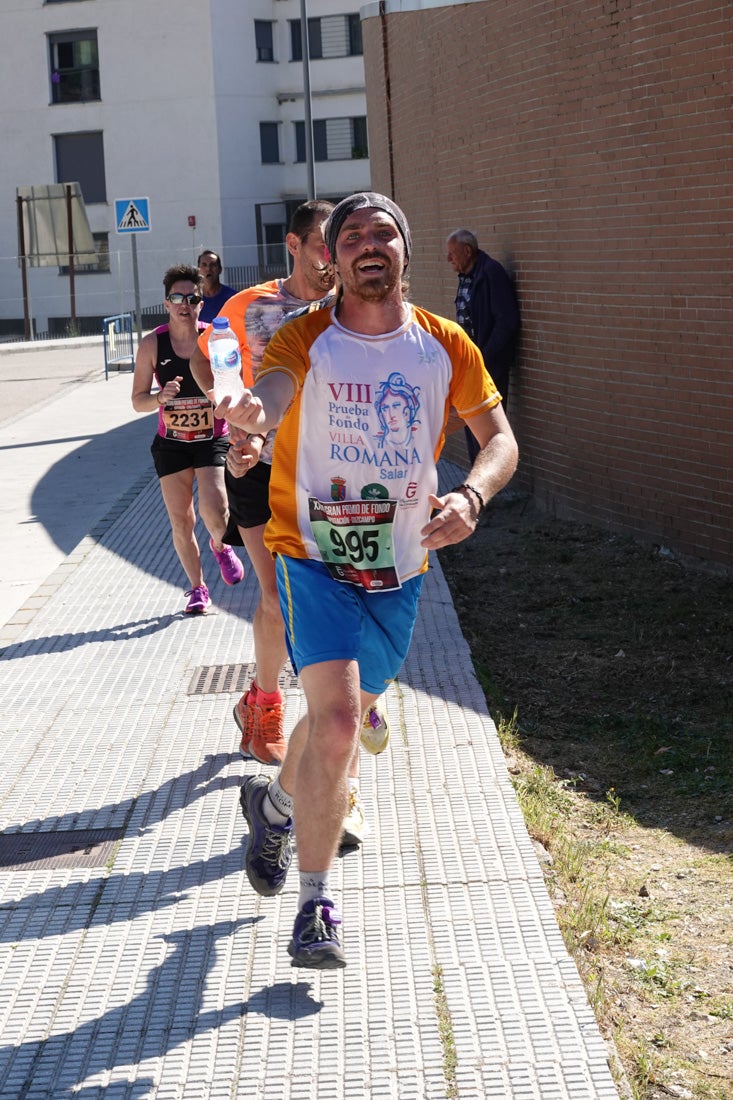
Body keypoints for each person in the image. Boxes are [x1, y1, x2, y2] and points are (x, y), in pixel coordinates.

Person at [211, 192, 519, 969]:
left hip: (402, 569)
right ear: (330, 258)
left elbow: (499, 439)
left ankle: (276, 805)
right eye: (351, 236)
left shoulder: (444, 344)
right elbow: (272, 394)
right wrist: (252, 416)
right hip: (313, 560)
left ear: (404, 252)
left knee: (334, 722)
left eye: (383, 232)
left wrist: (472, 494)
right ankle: (315, 904)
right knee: (342, 723)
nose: (367, 245)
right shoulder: (304, 337)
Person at [131, 263, 244, 614]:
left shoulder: (217, 338)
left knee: (216, 510)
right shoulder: (152, 343)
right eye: (176, 298)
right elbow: (137, 401)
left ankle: (219, 545)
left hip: (211, 438)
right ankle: (197, 589)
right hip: (172, 444)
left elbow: (238, 385)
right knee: (181, 519)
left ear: (200, 302)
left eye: (191, 298)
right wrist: (159, 398)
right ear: (166, 303)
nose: (184, 304)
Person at [446, 229, 520, 462]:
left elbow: (506, 321)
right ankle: (475, 480)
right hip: (470, 365)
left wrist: (483, 357)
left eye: (452, 253)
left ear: (468, 251)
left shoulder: (490, 274)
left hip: (489, 365)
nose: (449, 259)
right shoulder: (467, 276)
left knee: (486, 428)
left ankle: (486, 487)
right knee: (469, 422)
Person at [197, 249, 236, 324]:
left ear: (220, 269)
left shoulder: (232, 297)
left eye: (213, 265)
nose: (208, 269)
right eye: (204, 265)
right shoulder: (193, 299)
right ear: (199, 270)